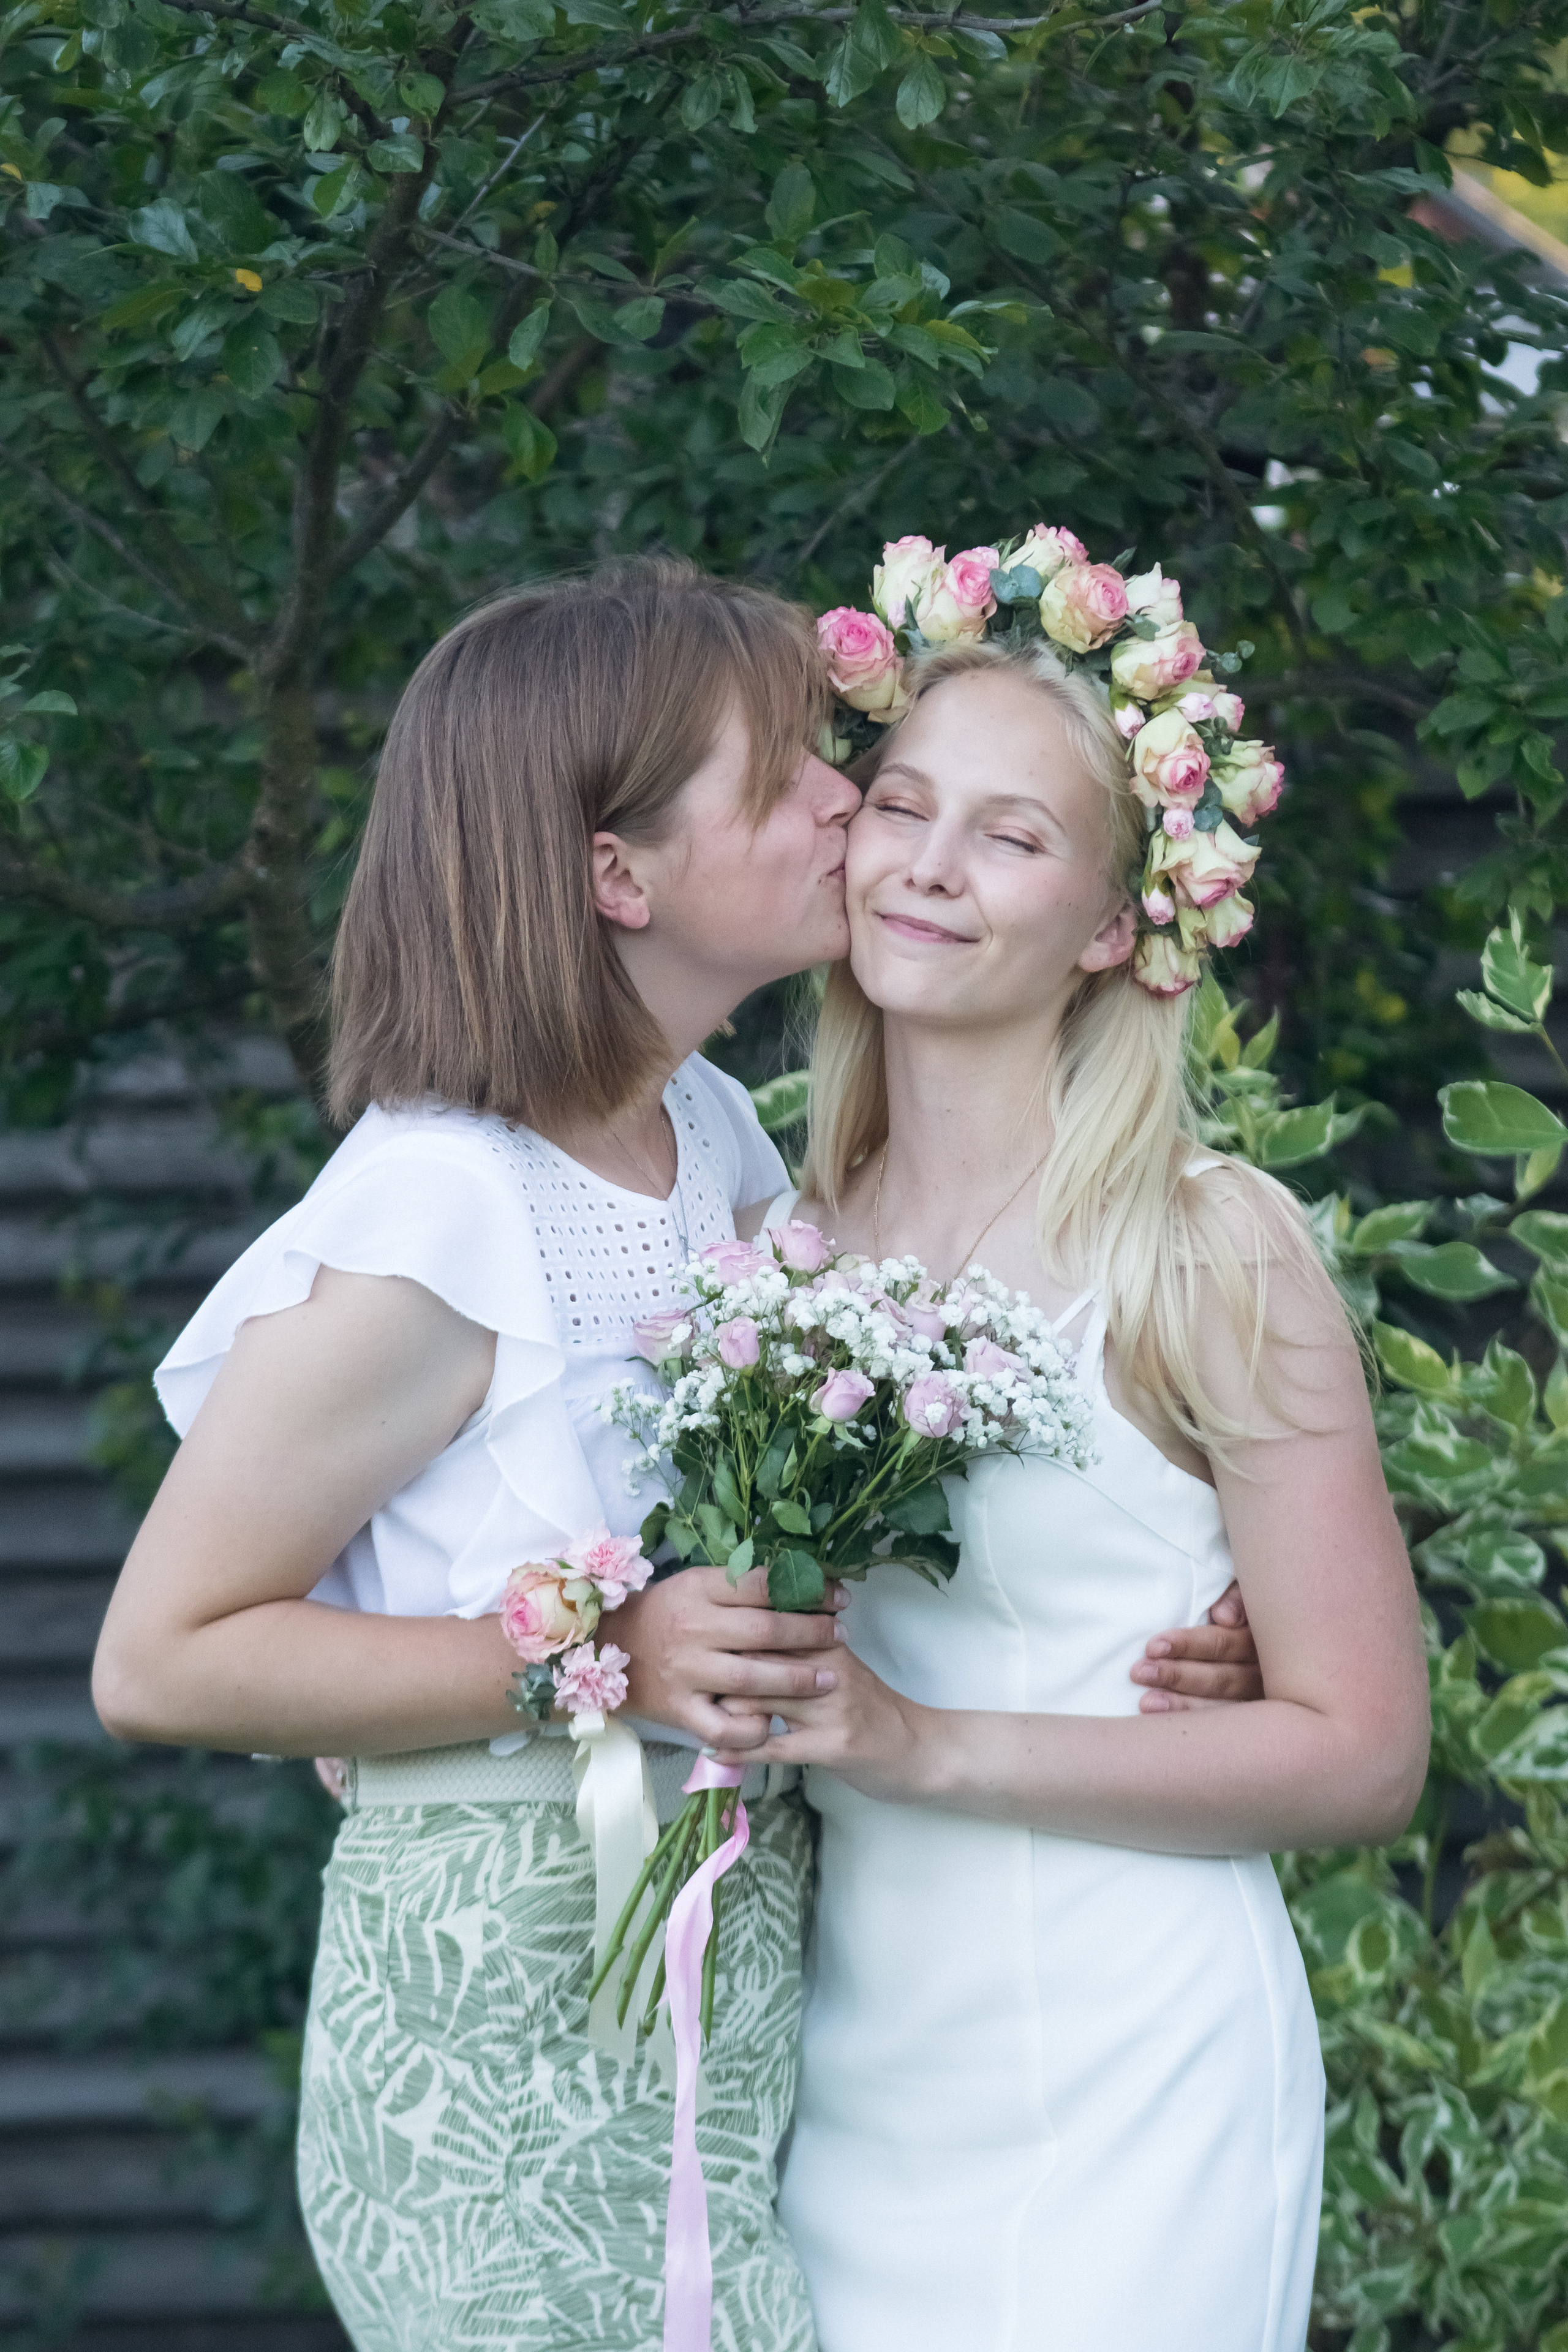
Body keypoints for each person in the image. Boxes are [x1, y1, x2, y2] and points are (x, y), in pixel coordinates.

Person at [91, 560, 1267, 2352]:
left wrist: (1160, 1591)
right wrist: (596, 1656)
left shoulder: (710, 1140)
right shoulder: (441, 1207)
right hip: (506, 1994)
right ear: (617, 872)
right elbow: (163, 1658)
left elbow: (836, 1494)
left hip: (718, 1972)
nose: (841, 798)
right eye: (782, 771)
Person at [736, 630, 1430, 2352]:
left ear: (1116, 924)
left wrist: (922, 1741)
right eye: (902, 806)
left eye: (1013, 835)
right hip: (848, 2072)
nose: (933, 865)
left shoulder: (1205, 1246)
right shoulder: (773, 1248)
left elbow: (1363, 1752)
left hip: (1137, 2061)